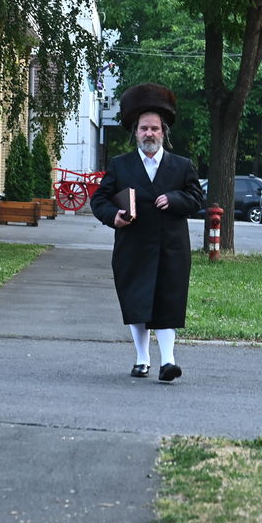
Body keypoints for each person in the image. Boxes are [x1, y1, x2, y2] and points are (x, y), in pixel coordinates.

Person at [91, 83, 204, 382]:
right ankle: (142, 360)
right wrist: (112, 216)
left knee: (167, 302)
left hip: (172, 249)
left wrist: (175, 199)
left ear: (163, 132)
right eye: (144, 129)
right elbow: (99, 200)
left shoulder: (181, 166)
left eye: (154, 128)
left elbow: (196, 198)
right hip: (133, 247)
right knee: (138, 303)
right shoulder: (120, 165)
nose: (149, 134)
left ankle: (168, 362)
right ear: (136, 132)